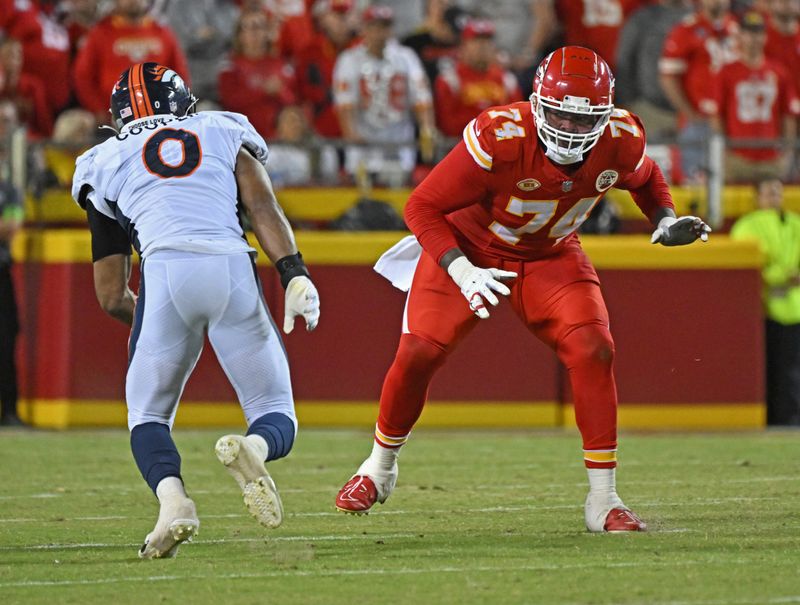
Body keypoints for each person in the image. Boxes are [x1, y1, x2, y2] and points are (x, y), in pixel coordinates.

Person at [334, 46, 711, 532]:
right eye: (560, 115)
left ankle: (604, 500)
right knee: (419, 351)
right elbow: (422, 206)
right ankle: (379, 468)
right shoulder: (500, 137)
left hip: (550, 254)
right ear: (537, 104)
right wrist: (461, 270)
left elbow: (645, 176)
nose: (572, 130)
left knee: (594, 348)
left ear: (604, 115)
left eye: (584, 119)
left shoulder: (621, 136)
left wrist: (663, 218)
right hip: (469, 247)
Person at [71, 62, 321, 558]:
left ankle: (174, 504)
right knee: (276, 413)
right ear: (183, 102)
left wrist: (157, 323)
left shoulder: (104, 159)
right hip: (231, 268)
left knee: (147, 414)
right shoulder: (221, 128)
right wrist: (295, 273)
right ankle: (255, 450)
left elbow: (110, 293)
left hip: (164, 274)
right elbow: (263, 207)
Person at [332, 4, 436, 183]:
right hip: (363, 146)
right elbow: (344, 102)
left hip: (399, 145)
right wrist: (351, 134)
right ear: (364, 28)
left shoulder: (406, 57)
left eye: (385, 27)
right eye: (374, 26)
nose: (380, 33)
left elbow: (421, 97)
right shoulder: (349, 60)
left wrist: (427, 128)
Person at [731, 179, 800, 426]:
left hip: (794, 306)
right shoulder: (747, 226)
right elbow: (748, 268)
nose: (774, 198)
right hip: (763, 309)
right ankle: (778, 419)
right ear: (757, 198)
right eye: (769, 193)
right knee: (772, 370)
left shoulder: (794, 223)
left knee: (792, 370)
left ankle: (791, 419)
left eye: (778, 193)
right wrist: (783, 276)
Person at [707, 10, 799, 183]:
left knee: (772, 205)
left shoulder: (778, 72)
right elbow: (716, 115)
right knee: (734, 206)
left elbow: (788, 114)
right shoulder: (726, 72)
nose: (753, 39)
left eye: (757, 33)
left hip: (771, 157)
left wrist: (787, 152)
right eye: (748, 33)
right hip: (738, 157)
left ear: (765, 37)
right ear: (740, 35)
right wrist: (725, 150)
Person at [73, 0, 190, 125]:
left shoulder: (163, 33)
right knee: (76, 124)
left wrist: (175, 107)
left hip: (160, 114)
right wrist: (99, 110)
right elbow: (82, 76)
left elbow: (180, 75)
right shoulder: (100, 32)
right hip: (112, 115)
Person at [659, 0, 738, 183]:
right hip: (700, 119)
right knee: (697, 180)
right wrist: (689, 113)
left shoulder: (738, 28)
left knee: (732, 181)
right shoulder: (686, 30)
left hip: (734, 121)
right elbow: (668, 77)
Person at [218, 8, 301, 140]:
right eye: (249, 27)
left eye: (259, 26)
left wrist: (279, 91)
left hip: (280, 140)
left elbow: (294, 103)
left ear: (267, 32)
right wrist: (264, 91)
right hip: (242, 139)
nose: (254, 32)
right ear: (240, 34)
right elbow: (230, 102)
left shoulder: (282, 66)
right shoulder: (230, 67)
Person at [433, 18, 521, 138]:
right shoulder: (449, 80)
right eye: (476, 41)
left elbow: (517, 121)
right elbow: (448, 126)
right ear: (463, 46)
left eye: (487, 41)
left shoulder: (508, 80)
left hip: (501, 147)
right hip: (461, 147)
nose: (482, 47)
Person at [0, 99, 25, 427]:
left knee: (7, 338)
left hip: (2, 269)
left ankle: (9, 411)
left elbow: (13, 226)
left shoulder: (8, 187)